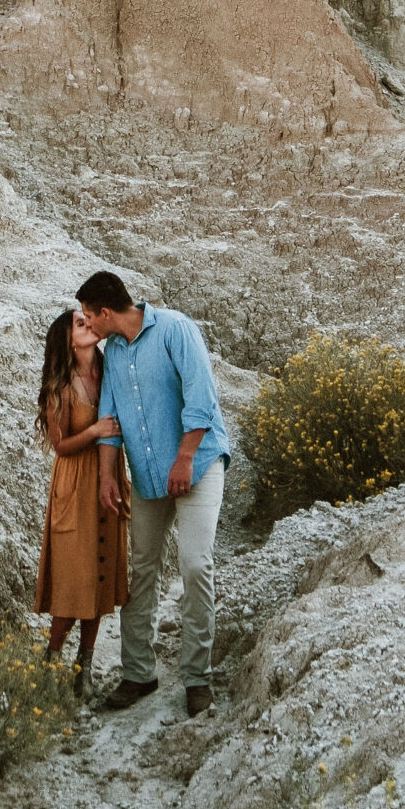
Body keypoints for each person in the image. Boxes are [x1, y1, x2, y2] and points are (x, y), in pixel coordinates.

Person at [75, 268, 230, 719]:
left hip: (197, 465)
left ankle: (197, 679)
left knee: (195, 565)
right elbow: (110, 421)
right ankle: (138, 673)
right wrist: (108, 477)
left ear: (106, 311)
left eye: (89, 315)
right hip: (146, 477)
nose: (87, 323)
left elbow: (202, 400)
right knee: (141, 569)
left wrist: (183, 460)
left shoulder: (176, 330)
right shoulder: (114, 352)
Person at [33, 304, 128, 692]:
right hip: (74, 485)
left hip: (108, 479)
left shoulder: (109, 373)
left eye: (86, 319)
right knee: (74, 584)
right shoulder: (60, 385)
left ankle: (82, 671)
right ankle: (47, 664)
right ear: (68, 339)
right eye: (78, 322)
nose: (86, 323)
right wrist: (94, 432)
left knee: (101, 576)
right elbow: (60, 445)